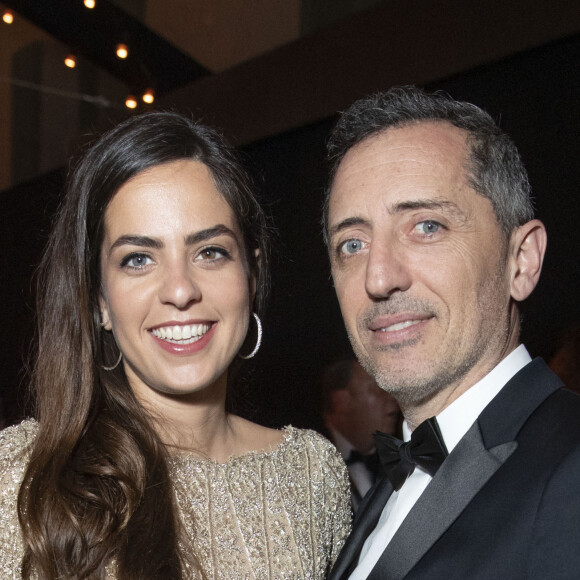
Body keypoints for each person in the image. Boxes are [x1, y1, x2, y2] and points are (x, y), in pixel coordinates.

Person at [0, 112, 351, 579]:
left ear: (251, 273)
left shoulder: (312, 474)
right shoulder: (20, 474)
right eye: (138, 259)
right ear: (99, 299)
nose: (181, 290)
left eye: (210, 252)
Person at [323, 87, 580, 579]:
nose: (378, 277)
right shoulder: (384, 490)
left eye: (427, 227)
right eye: (352, 243)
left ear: (521, 260)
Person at [321, 358, 400, 510]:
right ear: (341, 401)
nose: (392, 398)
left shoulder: (399, 458)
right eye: (379, 389)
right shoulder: (307, 462)